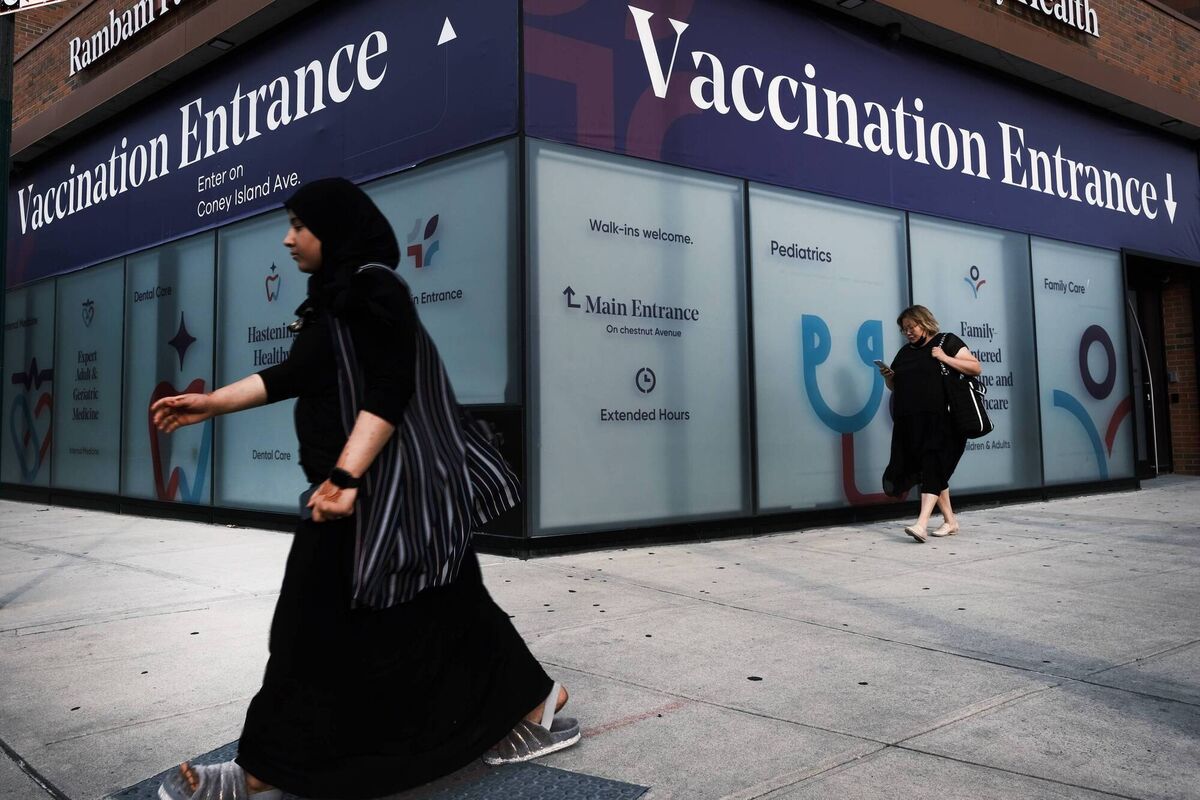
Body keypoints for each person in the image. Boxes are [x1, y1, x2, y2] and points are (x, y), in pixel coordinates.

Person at [152, 178, 579, 800]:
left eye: (301, 225)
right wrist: (210, 403)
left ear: (336, 229)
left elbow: (390, 385)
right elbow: (294, 374)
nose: (288, 237)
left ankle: (263, 768)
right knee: (444, 609)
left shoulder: (373, 288)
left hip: (378, 497)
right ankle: (537, 701)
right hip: (387, 499)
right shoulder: (334, 300)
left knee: (307, 624)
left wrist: (347, 477)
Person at [879, 305, 981, 543]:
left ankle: (922, 524)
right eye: (904, 329)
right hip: (912, 422)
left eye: (911, 327)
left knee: (933, 465)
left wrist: (944, 357)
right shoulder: (905, 353)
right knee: (931, 470)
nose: (908, 333)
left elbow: (975, 367)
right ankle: (951, 521)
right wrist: (889, 378)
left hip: (944, 420)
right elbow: (896, 388)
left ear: (924, 323)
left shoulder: (947, 342)